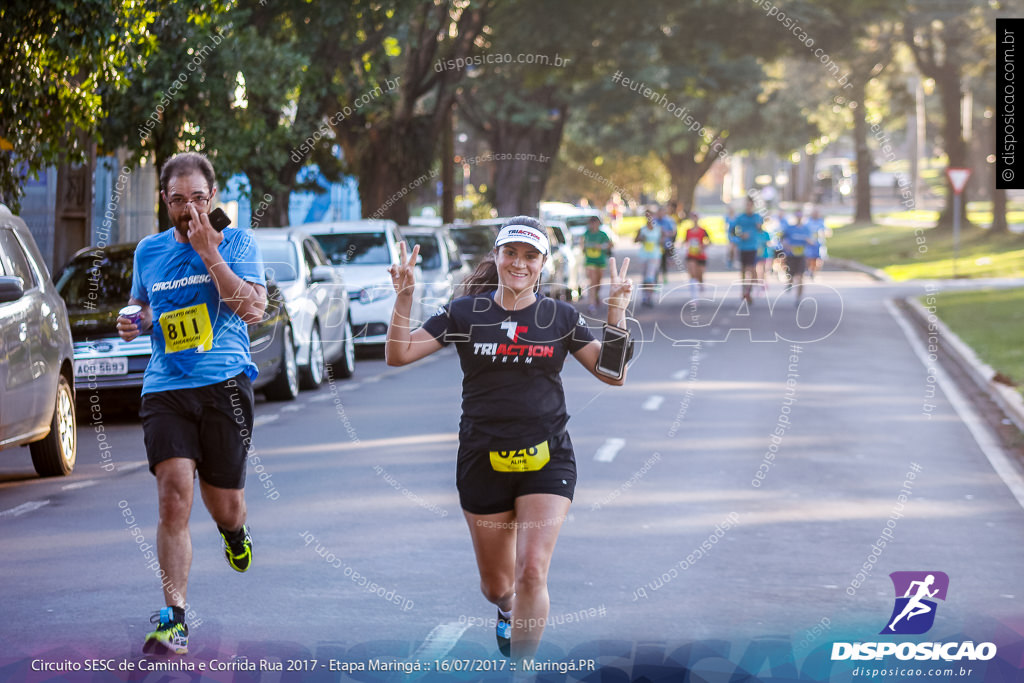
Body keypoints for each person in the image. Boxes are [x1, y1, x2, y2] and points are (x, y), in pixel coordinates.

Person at [384, 217, 633, 664]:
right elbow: (398, 354)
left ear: (543, 264)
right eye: (511, 253)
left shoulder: (560, 316)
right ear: (497, 256)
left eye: (530, 256)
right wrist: (404, 299)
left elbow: (612, 374)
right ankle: (505, 609)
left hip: (548, 458)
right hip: (483, 459)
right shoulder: (465, 312)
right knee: (499, 585)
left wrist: (616, 313)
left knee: (533, 571)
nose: (520, 263)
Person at [117, 152, 267, 656]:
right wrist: (133, 319)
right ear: (165, 201)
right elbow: (143, 306)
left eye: (197, 199)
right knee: (173, 495)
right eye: (178, 200)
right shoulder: (148, 252)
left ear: (214, 197)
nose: (188, 209)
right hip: (165, 387)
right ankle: (174, 618)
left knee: (224, 505)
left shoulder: (237, 240)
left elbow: (252, 309)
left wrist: (211, 254)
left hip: (224, 384)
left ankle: (235, 530)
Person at [730, 197, 764, 305]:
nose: (748, 207)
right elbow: (732, 231)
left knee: (751, 269)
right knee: (744, 271)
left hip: (753, 247)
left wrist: (759, 227)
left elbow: (761, 230)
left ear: (753, 206)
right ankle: (744, 290)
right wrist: (740, 235)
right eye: (747, 205)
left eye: (750, 205)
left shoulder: (757, 217)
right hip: (742, 247)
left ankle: (748, 291)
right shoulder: (740, 218)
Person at [780, 208, 814, 304]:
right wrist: (786, 245)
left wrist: (809, 241)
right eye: (797, 216)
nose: (799, 218)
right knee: (791, 275)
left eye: (800, 216)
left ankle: (798, 297)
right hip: (791, 255)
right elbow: (781, 239)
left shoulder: (806, 229)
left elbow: (812, 242)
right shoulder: (790, 228)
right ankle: (790, 283)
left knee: (800, 276)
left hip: (801, 256)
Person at [582, 216, 613, 312]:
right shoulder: (586, 234)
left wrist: (601, 246)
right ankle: (591, 304)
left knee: (598, 283)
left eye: (596, 223)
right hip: (590, 261)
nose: (594, 225)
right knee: (592, 282)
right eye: (592, 223)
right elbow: (582, 245)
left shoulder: (602, 234)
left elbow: (610, 244)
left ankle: (596, 294)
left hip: (600, 261)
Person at [635, 209, 663, 307]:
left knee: (650, 276)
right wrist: (641, 238)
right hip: (643, 255)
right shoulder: (642, 229)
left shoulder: (658, 229)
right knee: (644, 276)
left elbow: (662, 241)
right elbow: (635, 240)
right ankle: (644, 296)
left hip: (654, 255)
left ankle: (649, 297)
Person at [682, 213, 711, 295]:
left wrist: (703, 247)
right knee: (692, 273)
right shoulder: (688, 231)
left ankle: (700, 284)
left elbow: (709, 241)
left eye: (695, 218)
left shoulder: (703, 231)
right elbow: (685, 241)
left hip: (701, 255)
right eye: (692, 218)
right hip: (691, 255)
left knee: (700, 275)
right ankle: (693, 292)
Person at [803, 206, 829, 281]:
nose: (815, 214)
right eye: (814, 213)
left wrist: (824, 233)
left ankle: (814, 272)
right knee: (809, 258)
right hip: (810, 244)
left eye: (817, 213)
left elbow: (828, 232)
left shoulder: (822, 222)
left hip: (819, 244)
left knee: (819, 260)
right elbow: (804, 232)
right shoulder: (808, 222)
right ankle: (809, 270)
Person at [654, 205, 678, 285]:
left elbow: (674, 232)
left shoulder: (669, 220)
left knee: (664, 262)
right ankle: (656, 278)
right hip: (656, 245)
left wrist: (666, 234)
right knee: (656, 262)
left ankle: (664, 276)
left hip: (666, 245)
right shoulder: (654, 220)